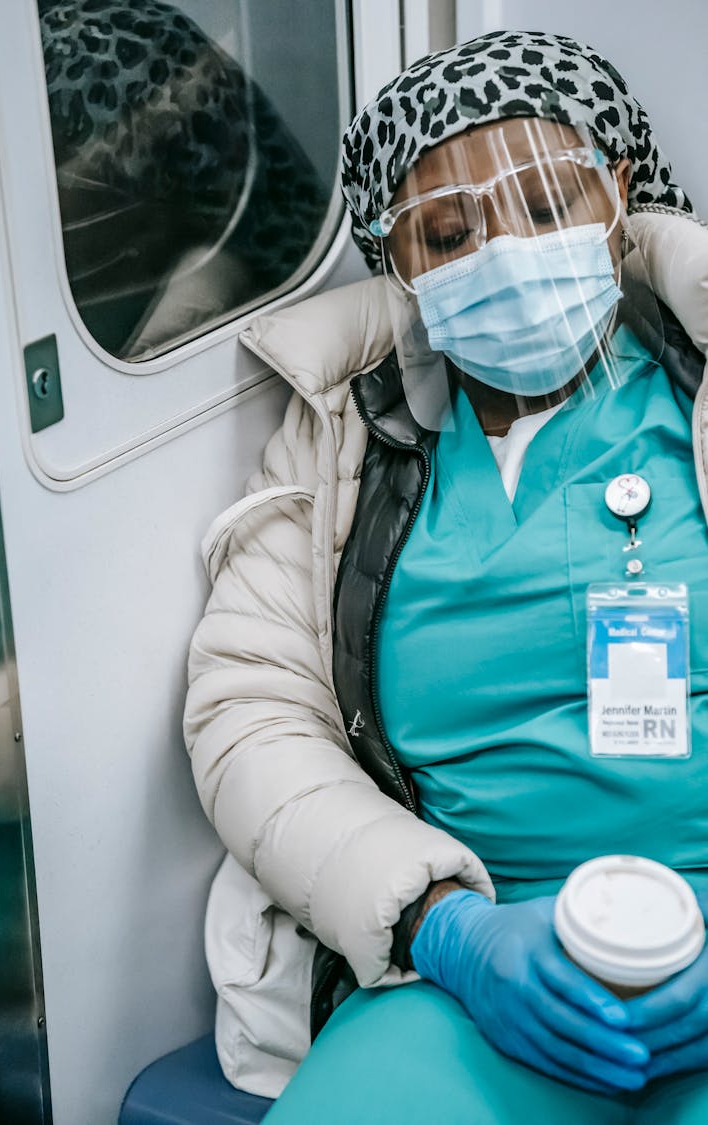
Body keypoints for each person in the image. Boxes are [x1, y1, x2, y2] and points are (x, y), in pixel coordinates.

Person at [184, 29, 708, 1122]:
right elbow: (251, 715)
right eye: (449, 231)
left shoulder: (688, 384)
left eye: (546, 203)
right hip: (465, 979)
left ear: (618, 197)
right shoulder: (341, 437)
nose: (504, 252)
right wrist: (445, 929)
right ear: (401, 264)